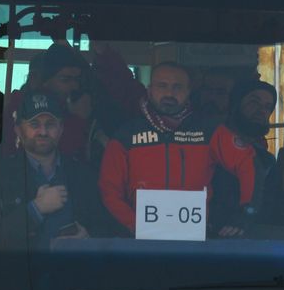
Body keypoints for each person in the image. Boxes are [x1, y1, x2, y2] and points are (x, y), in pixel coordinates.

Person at [99, 61, 254, 234]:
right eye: (162, 86)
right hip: (139, 239)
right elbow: (109, 189)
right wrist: (134, 224)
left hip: (196, 238)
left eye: (177, 87)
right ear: (149, 90)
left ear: (189, 92)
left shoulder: (209, 130)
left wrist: (245, 213)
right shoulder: (126, 135)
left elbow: (249, 163)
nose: (169, 93)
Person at [0, 91, 102, 245]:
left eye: (50, 124)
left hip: (76, 266)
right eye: (34, 124)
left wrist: (88, 238)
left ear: (61, 129)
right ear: (18, 130)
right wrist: (35, 209)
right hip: (23, 268)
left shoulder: (83, 173)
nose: (43, 132)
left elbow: (106, 227)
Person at [210, 80, 284, 235]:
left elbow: (269, 209)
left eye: (267, 107)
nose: (261, 111)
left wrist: (281, 170)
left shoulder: (266, 160)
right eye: (254, 102)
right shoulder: (208, 143)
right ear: (236, 104)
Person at [3, 43, 93, 158]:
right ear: (45, 81)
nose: (74, 86)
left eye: (77, 80)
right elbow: (54, 155)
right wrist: (78, 119)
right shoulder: (22, 107)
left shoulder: (68, 105)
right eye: (65, 80)